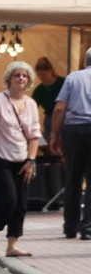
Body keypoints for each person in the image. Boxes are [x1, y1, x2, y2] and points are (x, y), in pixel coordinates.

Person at [0, 61, 42, 258]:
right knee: (9, 200)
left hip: (23, 158)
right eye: (17, 75)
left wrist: (31, 160)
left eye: (24, 76)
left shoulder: (31, 104)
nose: (21, 79)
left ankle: (12, 244)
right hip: (1, 157)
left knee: (21, 203)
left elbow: (34, 134)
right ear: (9, 79)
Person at [50, 48, 91, 240]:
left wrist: (54, 135)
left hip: (73, 131)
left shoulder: (73, 78)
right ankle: (89, 227)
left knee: (73, 178)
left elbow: (59, 108)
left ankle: (70, 226)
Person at [31, 56, 65, 137]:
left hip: (65, 116)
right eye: (39, 75)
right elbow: (32, 108)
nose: (42, 77)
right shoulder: (39, 90)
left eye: (44, 74)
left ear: (50, 71)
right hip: (50, 119)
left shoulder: (63, 82)